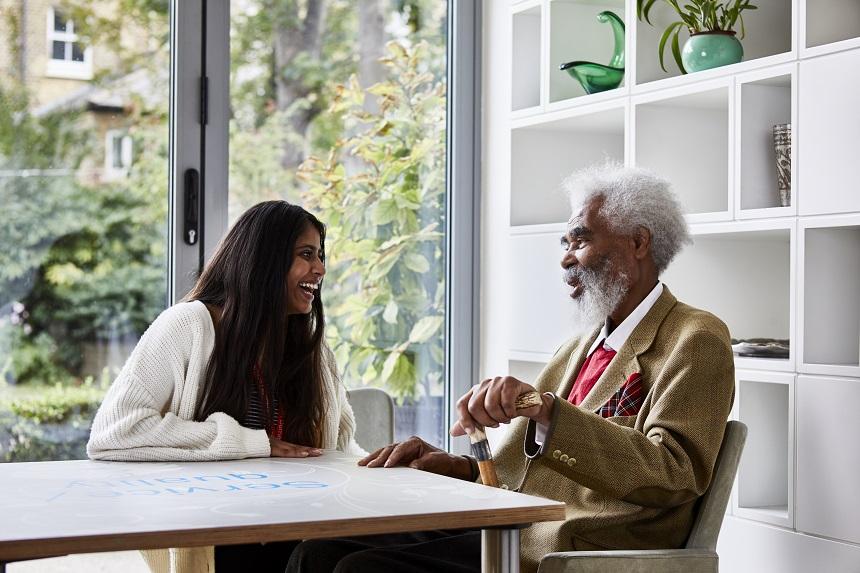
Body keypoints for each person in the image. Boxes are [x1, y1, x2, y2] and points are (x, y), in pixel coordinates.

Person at [285, 163, 735, 573]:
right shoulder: (576, 347)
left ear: (638, 242)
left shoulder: (695, 338)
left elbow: (675, 474)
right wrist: (454, 467)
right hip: (512, 528)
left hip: (573, 549)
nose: (565, 258)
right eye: (566, 242)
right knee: (318, 551)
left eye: (580, 240)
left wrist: (547, 411)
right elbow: (517, 473)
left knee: (360, 570)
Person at [87, 201, 365, 573]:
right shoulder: (187, 326)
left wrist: (386, 467)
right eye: (306, 254)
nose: (321, 269)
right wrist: (253, 444)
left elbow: (343, 448)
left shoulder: (312, 347)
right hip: (220, 531)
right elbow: (115, 432)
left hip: (303, 526)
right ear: (265, 260)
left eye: (320, 255)